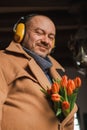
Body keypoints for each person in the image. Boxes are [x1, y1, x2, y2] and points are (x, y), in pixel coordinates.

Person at [0, 14, 77, 130]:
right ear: (21, 33)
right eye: (39, 33)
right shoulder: (3, 60)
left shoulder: (55, 75)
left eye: (51, 37)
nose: (46, 41)